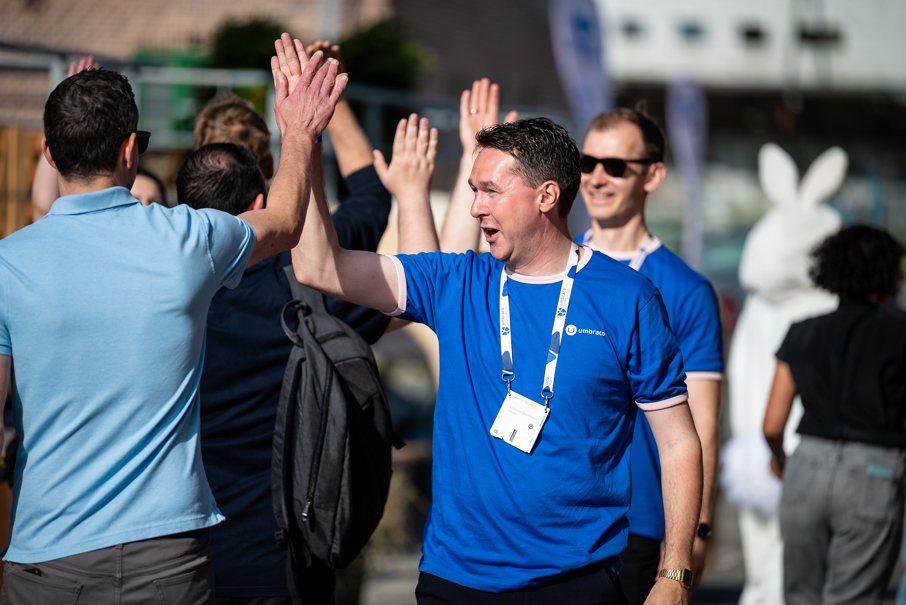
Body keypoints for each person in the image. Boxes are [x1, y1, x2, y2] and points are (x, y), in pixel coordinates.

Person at [276, 42, 703, 604]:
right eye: (473, 191)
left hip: (575, 581)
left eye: (491, 191)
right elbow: (318, 265)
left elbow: (678, 442)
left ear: (546, 196)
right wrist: (302, 140)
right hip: (455, 580)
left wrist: (674, 574)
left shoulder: (628, 298)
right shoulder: (455, 281)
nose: (476, 206)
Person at [0, 42, 345, 604]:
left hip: (48, 560)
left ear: (48, 152)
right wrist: (298, 130)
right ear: (130, 149)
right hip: (166, 558)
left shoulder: (7, 265)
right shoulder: (188, 238)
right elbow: (284, 221)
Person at [181, 37, 438, 601]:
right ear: (264, 195)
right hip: (287, 559)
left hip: (178, 560)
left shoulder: (163, 293)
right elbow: (378, 209)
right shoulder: (309, 287)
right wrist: (322, 106)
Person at [577, 108, 724, 603]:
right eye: (587, 162)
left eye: (616, 166)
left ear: (653, 175)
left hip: (635, 522)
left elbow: (702, 423)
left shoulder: (686, 289)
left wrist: (696, 532)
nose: (597, 177)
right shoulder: (551, 267)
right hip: (552, 516)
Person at [763, 225, 906, 605]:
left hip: (806, 466)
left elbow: (772, 425)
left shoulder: (802, 331)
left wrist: (780, 460)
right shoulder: (899, 331)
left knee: (800, 596)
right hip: (875, 470)